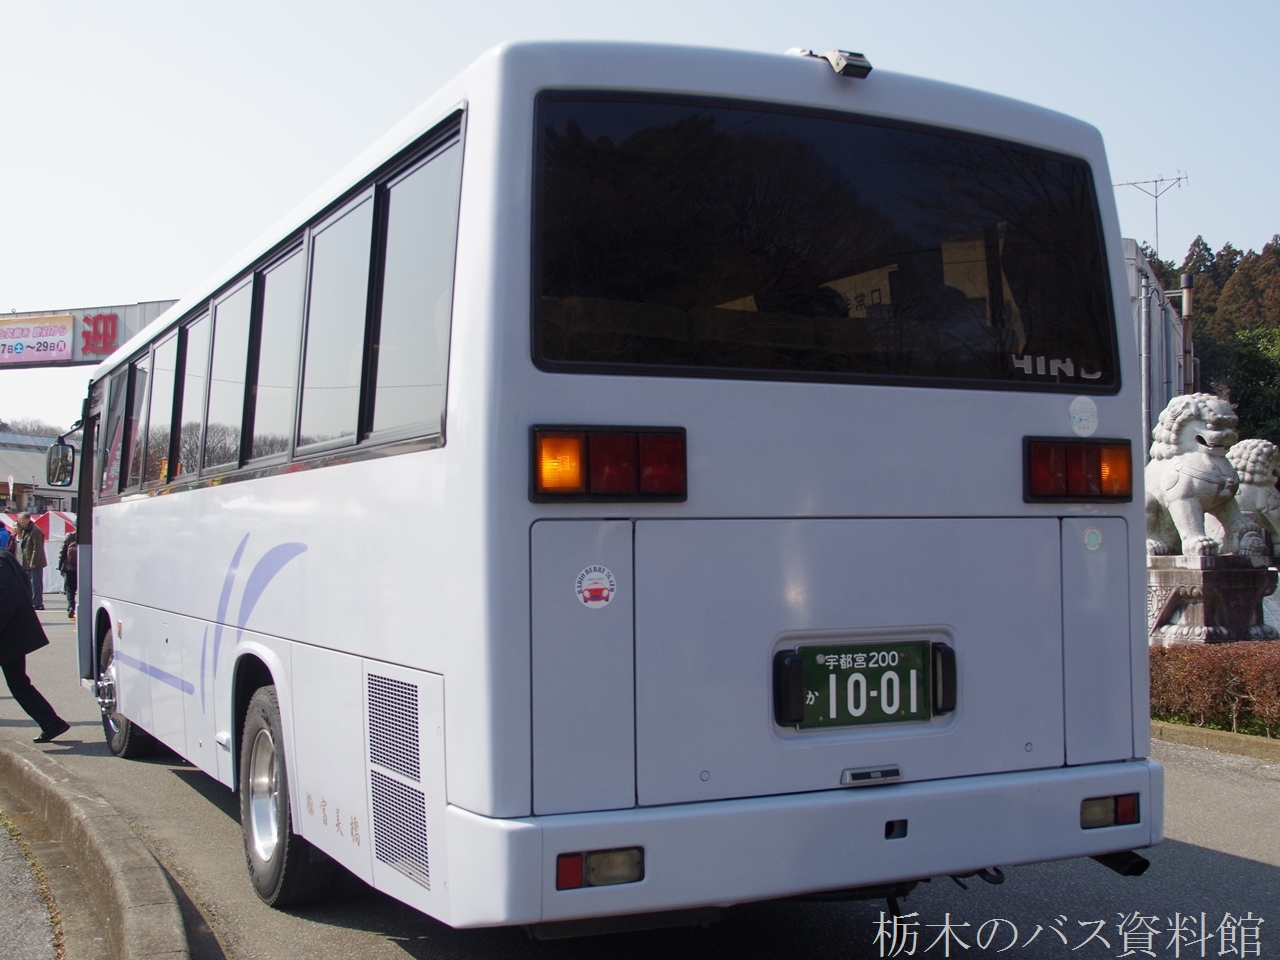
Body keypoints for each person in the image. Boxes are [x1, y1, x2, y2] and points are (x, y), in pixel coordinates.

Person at [0, 547, 70, 742]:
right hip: (12, 632)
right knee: (19, 683)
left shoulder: (2, 561)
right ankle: (51, 722)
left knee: (19, 683)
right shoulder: (5, 557)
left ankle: (51, 722)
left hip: (8, 632)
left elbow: (6, 600)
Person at [15, 512, 46, 610]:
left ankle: (37, 603)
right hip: (26, 562)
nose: (19, 522)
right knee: (28, 583)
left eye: (20, 520)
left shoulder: (35, 531)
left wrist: (34, 562)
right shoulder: (26, 530)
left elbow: (37, 548)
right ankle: (30, 602)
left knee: (35, 584)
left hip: (34, 563)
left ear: (27, 519)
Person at [58, 532, 78, 620]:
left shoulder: (70, 536)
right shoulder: (90, 535)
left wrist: (60, 566)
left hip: (70, 567)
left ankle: (71, 606)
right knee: (85, 588)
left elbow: (62, 552)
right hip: (85, 567)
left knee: (70, 588)